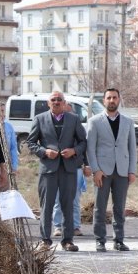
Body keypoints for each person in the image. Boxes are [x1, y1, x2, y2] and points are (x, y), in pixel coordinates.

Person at [26, 91, 86, 252]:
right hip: (48, 169)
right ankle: (45, 240)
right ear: (48, 103)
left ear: (64, 102)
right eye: (53, 100)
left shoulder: (73, 119)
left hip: (68, 169)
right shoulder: (40, 119)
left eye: (60, 99)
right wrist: (44, 151)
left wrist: (74, 151)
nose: (57, 102)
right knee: (47, 205)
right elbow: (31, 142)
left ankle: (67, 240)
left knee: (68, 205)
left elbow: (83, 142)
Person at [86, 88, 137, 252]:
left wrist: (132, 170)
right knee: (100, 207)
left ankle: (119, 240)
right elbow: (90, 148)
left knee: (119, 207)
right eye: (109, 98)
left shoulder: (128, 122)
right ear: (104, 101)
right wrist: (95, 170)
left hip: (122, 170)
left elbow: (132, 148)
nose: (112, 100)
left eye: (115, 97)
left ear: (119, 100)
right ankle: (100, 240)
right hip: (103, 171)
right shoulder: (95, 121)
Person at [53, 101, 91, 237]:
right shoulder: (56, 126)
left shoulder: (77, 126)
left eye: (69, 112)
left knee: (74, 199)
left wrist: (87, 164)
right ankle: (57, 226)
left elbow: (84, 146)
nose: (67, 114)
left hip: (75, 168)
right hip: (58, 167)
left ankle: (75, 226)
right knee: (57, 198)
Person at [0, 103, 19, 174]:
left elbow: (13, 148)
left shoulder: (9, 127)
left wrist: (14, 166)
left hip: (6, 166)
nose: (0, 114)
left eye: (2, 111)